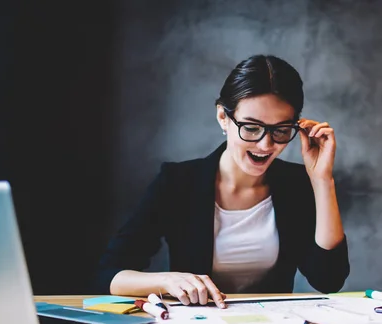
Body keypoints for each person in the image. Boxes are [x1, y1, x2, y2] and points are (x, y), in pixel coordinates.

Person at [96, 55, 350, 308]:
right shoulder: (177, 183)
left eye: (281, 130)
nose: (265, 145)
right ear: (223, 117)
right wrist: (167, 281)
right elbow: (107, 274)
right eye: (251, 127)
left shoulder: (296, 183)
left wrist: (322, 180)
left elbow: (329, 280)